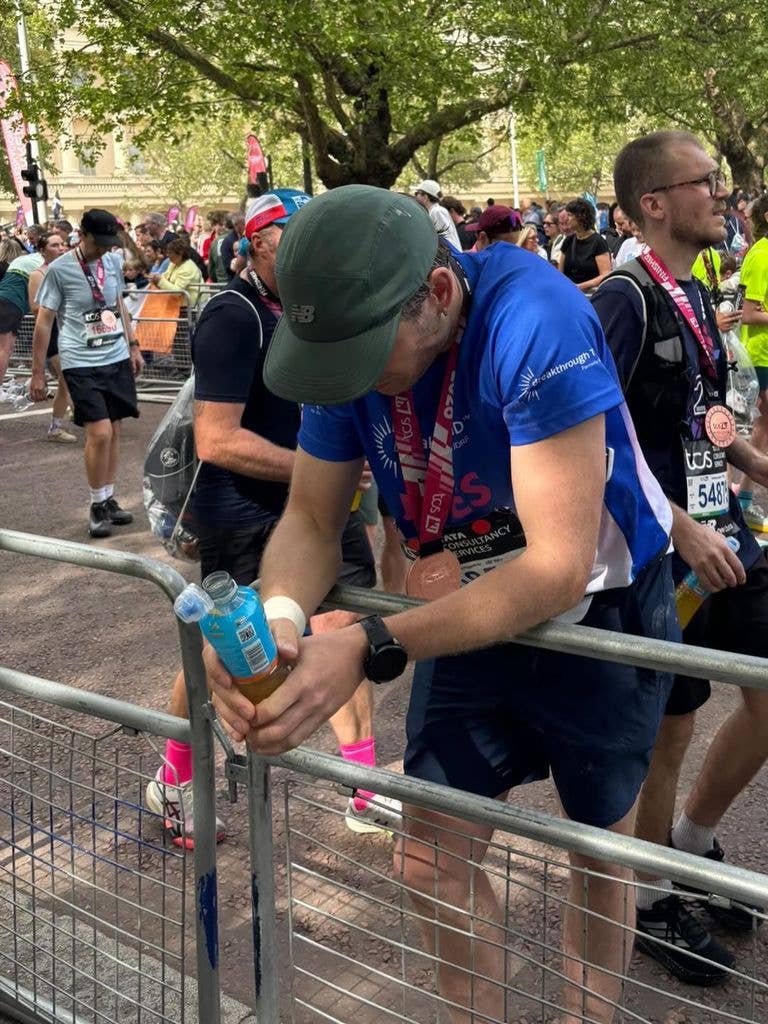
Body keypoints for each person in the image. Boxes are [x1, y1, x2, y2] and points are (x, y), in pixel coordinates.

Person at [209, 185, 678, 1024]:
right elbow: (313, 519)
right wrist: (279, 622)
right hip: (465, 607)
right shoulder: (347, 341)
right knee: (426, 856)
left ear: (436, 293)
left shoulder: (534, 317)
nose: (346, 381)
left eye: (362, 355)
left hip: (598, 614)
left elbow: (555, 569)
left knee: (598, 853)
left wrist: (367, 644)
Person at [145, 189, 400, 846]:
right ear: (258, 244)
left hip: (317, 502)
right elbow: (217, 440)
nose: (317, 247)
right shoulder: (234, 316)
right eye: (297, 233)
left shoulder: (314, 309)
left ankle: (365, 789)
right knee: (226, 649)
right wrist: (318, 468)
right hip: (244, 512)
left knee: (344, 627)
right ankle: (173, 777)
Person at [592, 130, 768, 986]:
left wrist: (751, 466)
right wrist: (674, 526)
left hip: (724, 528)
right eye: (707, 181)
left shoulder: (696, 289)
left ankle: (695, 844)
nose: (724, 192)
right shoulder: (623, 298)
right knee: (670, 726)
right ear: (655, 202)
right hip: (663, 554)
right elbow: (592, 436)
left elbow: (701, 414)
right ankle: (656, 895)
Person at [29, 208, 144, 538]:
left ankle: (108, 498)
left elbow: (118, 304)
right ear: (83, 235)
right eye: (101, 242)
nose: (107, 249)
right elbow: (45, 320)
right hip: (80, 361)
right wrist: (38, 372)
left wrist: (133, 344)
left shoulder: (112, 262)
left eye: (112, 242)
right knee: (100, 432)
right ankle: (95, 504)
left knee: (116, 430)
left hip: (115, 356)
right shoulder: (60, 270)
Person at [733, 194, 768, 532]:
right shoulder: (760, 255)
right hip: (760, 354)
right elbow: (748, 311)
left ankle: (743, 498)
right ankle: (744, 499)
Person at [27, 231, 76, 443]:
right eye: (55, 245)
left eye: (63, 244)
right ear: (42, 250)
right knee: (67, 379)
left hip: (69, 330)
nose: (61, 248)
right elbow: (36, 309)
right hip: (52, 334)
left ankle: (76, 413)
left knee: (71, 379)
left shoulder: (66, 269)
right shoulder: (38, 274)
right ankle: (56, 427)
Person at [0, 247, 44, 385]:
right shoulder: (42, 264)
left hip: (7, 302)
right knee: (4, 349)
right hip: (9, 304)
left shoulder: (23, 260)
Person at [558, 198, 611, 293]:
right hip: (570, 293)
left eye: (570, 215)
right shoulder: (568, 240)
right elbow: (560, 273)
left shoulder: (598, 242)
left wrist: (580, 286)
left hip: (591, 295)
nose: (567, 219)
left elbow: (605, 274)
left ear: (581, 217)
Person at [149, 237, 203, 308]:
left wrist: (159, 281)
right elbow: (166, 276)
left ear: (180, 254)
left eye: (170, 253)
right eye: (167, 253)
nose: (167, 255)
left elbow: (177, 291)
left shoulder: (187, 268)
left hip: (191, 307)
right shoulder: (174, 263)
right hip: (179, 304)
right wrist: (156, 277)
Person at [412, 179, 462, 250]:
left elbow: (444, 240)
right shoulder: (434, 211)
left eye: (417, 193)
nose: (415, 196)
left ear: (425, 197)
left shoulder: (437, 211)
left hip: (450, 258)